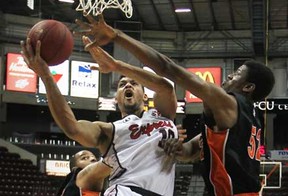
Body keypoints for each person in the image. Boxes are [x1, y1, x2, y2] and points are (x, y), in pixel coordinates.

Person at [74, 14, 275, 195]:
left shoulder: (228, 104)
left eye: (237, 73)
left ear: (248, 87)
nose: (230, 75)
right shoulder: (249, 119)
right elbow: (190, 151)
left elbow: (166, 67)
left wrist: (117, 37)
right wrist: (176, 147)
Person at [20, 34, 178, 195]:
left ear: (145, 96)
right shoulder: (109, 130)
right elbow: (72, 128)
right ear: (116, 98)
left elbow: (166, 88)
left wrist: (117, 66)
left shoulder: (163, 115)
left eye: (134, 83)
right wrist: (47, 76)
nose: (127, 85)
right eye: (122, 84)